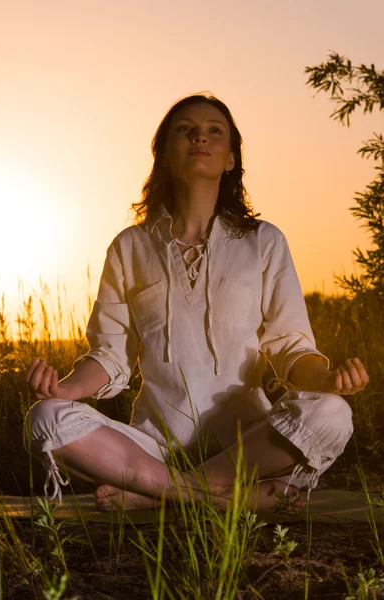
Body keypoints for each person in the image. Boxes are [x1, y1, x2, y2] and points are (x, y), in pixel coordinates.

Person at [23, 93, 369, 513]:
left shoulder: (264, 241)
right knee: (45, 420)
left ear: (229, 158)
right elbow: (110, 355)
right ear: (164, 155)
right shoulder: (130, 246)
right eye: (185, 130)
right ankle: (222, 499)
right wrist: (65, 389)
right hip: (152, 446)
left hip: (251, 443)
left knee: (332, 415)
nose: (199, 137)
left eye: (214, 131)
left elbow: (290, 346)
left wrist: (327, 382)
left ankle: (156, 495)